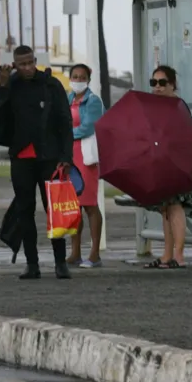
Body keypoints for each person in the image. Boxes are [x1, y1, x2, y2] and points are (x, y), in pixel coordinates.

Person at [0, 45, 75, 280]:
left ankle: (60, 263)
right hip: (21, 158)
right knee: (24, 211)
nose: (28, 68)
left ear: (35, 60)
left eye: (31, 62)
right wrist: (2, 84)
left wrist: (66, 157)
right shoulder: (12, 85)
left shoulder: (51, 85)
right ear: (15, 65)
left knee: (54, 211)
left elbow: (65, 123)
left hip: (49, 158)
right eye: (22, 64)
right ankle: (32, 263)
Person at [144, 65, 192, 270]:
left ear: (172, 84)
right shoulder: (155, 106)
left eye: (162, 82)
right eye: (153, 83)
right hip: (161, 163)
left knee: (175, 206)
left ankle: (179, 255)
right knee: (165, 208)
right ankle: (167, 254)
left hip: (176, 164)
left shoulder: (177, 106)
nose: (157, 87)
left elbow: (184, 136)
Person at [66, 63, 105, 268]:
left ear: (88, 80)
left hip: (86, 156)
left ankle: (95, 253)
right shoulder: (68, 99)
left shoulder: (93, 101)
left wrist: (66, 135)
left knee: (89, 204)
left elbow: (89, 126)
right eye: (75, 76)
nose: (78, 80)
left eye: (82, 77)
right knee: (73, 206)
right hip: (69, 157)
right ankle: (75, 252)